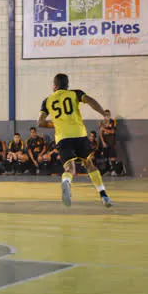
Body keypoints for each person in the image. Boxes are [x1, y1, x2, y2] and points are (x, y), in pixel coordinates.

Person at [38, 73, 112, 207]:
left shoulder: (47, 100)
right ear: (67, 85)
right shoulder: (75, 93)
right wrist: (104, 114)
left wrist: (56, 123)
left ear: (54, 86)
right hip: (79, 134)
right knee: (89, 164)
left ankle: (66, 181)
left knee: (70, 168)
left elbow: (41, 122)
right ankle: (104, 195)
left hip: (63, 137)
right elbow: (90, 100)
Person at [99, 109, 118, 174]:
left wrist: (105, 130)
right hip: (105, 142)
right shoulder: (101, 122)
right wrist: (103, 142)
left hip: (111, 142)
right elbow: (100, 133)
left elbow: (113, 131)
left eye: (108, 114)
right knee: (105, 157)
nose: (107, 116)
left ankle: (114, 170)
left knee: (113, 156)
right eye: (106, 114)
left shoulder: (113, 121)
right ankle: (108, 170)